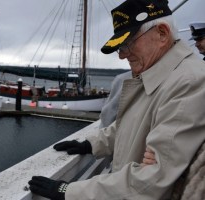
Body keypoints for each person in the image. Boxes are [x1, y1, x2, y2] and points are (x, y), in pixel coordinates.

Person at [28, 0, 205, 199]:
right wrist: (92, 144)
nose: (122, 56)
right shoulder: (160, 75)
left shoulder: (189, 82)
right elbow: (132, 126)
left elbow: (153, 179)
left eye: (127, 44)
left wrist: (68, 191)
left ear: (162, 34)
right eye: (120, 47)